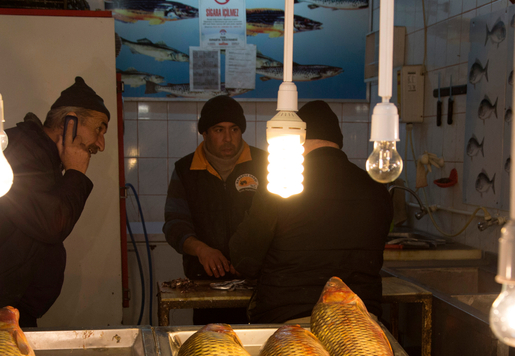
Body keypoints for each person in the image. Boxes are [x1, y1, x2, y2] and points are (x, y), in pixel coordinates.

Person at [0, 77, 109, 329]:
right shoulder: (19, 151)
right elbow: (52, 223)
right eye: (99, 129)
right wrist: (76, 174)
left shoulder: (43, 158)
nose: (101, 144)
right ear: (69, 122)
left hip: (0, 313)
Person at [230, 100, 393, 323]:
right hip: (361, 325)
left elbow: (245, 260)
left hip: (292, 323)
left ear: (296, 140)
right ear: (337, 142)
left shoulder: (282, 184)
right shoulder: (376, 188)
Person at [163, 95, 268, 324]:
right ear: (205, 133)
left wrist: (250, 258)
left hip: (260, 286)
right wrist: (202, 250)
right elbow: (174, 224)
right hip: (205, 285)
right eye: (219, 130)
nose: (228, 138)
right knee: (211, 345)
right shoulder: (185, 171)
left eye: (234, 129)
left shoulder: (266, 164)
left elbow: (282, 220)